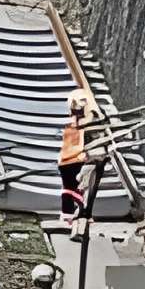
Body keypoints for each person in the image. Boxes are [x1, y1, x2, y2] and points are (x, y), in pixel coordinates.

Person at [59, 96, 90, 224]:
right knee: (77, 188)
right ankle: (80, 212)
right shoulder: (83, 126)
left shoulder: (67, 125)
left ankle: (68, 214)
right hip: (76, 159)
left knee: (68, 188)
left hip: (64, 160)